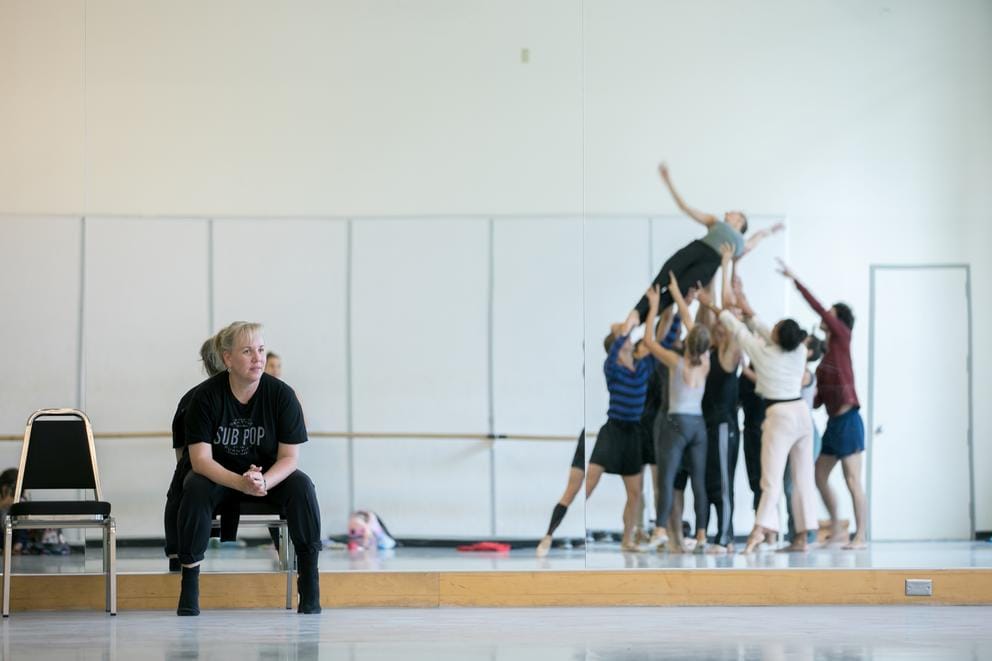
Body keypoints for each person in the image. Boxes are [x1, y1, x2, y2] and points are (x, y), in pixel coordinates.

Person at [176, 321, 322, 616]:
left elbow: (290, 458)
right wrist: (239, 482)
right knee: (193, 486)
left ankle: (309, 581)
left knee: (302, 486)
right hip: (219, 475)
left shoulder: (282, 395)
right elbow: (200, 459)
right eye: (247, 351)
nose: (258, 358)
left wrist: (262, 481)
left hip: (266, 476)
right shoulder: (204, 397)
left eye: (261, 349)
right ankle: (189, 584)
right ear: (228, 358)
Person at [696, 287, 817, 554]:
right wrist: (743, 299)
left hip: (780, 416)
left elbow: (735, 325)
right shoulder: (797, 351)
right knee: (803, 479)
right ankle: (802, 537)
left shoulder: (762, 352)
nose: (768, 327)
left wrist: (711, 304)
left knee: (770, 481)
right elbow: (756, 322)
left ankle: (758, 532)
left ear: (776, 335)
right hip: (801, 415)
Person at [621, 163, 782, 335]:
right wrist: (669, 182)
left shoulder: (742, 243)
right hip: (696, 250)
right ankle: (635, 313)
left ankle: (638, 322)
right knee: (662, 278)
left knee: (675, 294)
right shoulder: (715, 222)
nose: (728, 212)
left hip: (708, 267)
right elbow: (686, 208)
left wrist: (771, 230)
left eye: (733, 212)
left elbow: (759, 235)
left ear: (740, 221)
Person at [777, 260, 867, 549]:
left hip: (849, 420)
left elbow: (818, 309)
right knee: (818, 474)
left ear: (838, 320)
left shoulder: (841, 338)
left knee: (852, 480)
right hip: (833, 424)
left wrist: (796, 280)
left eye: (831, 313)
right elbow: (815, 402)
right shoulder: (825, 359)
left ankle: (860, 535)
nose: (826, 314)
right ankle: (839, 526)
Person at [643, 276, 712, 553]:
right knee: (699, 482)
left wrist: (655, 305)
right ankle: (703, 534)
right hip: (698, 425)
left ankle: (660, 529)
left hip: (676, 423)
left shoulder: (676, 361)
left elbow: (648, 341)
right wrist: (682, 300)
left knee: (667, 478)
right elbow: (691, 325)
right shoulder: (706, 361)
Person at [585, 322, 657, 552]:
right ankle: (567, 525)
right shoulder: (612, 368)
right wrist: (623, 329)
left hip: (633, 433)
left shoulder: (642, 369)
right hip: (613, 430)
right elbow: (616, 345)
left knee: (635, 492)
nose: (628, 340)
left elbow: (660, 344)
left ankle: (627, 539)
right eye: (624, 340)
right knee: (590, 481)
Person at [165, 337, 227, 571]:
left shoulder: (190, 398)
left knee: (182, 483)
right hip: (228, 477)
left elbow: (181, 458)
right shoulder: (195, 399)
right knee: (187, 482)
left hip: (208, 479)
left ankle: (176, 554)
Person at [696, 251, 743, 553]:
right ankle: (717, 534)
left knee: (723, 484)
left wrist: (729, 266)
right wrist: (716, 269)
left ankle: (725, 536)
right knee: (712, 480)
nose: (717, 326)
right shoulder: (712, 350)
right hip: (709, 425)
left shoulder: (730, 354)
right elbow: (702, 318)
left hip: (724, 426)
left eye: (722, 325)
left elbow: (726, 312)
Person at [536, 429, 587, 557]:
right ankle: (548, 536)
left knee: (635, 491)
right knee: (570, 492)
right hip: (595, 436)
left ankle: (636, 532)